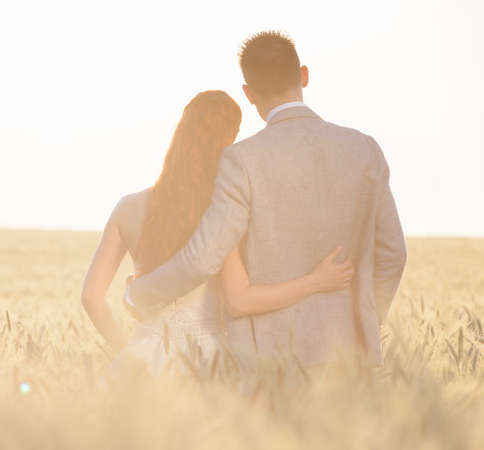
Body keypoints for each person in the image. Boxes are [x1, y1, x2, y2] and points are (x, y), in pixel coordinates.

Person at [124, 31, 407, 368]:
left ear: (248, 93)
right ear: (303, 74)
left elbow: (201, 259)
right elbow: (393, 255)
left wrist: (136, 294)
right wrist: (365, 322)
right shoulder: (365, 150)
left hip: (270, 363)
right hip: (351, 359)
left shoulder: (241, 160)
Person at [82, 90, 353, 377]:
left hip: (142, 359)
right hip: (207, 363)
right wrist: (315, 281)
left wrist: (130, 351)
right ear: (227, 141)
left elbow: (90, 296)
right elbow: (241, 299)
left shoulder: (128, 207)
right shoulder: (223, 212)